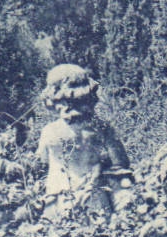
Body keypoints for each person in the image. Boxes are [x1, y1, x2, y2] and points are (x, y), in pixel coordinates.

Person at [34, 63, 131, 216]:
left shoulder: (50, 131)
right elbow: (121, 164)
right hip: (95, 198)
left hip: (60, 199)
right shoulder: (102, 128)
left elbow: (41, 162)